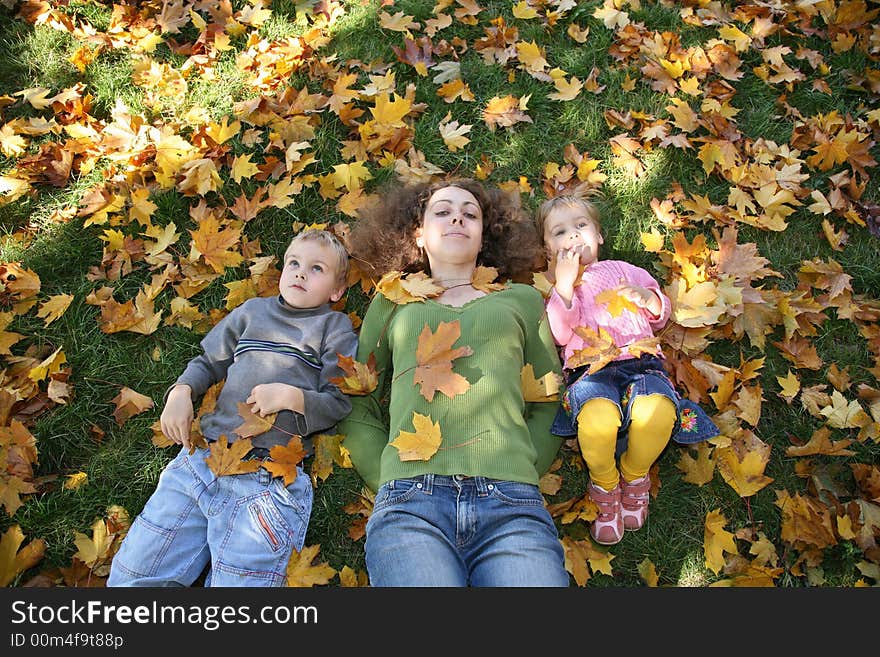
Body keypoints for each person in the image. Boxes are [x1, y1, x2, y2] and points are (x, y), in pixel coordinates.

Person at [338, 178, 570, 587]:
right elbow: (359, 393)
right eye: (442, 211)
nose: (457, 217)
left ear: (483, 237)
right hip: (410, 504)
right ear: (419, 235)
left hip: (512, 504)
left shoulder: (522, 300)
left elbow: (549, 398)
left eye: (470, 213)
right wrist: (387, 475)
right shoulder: (394, 299)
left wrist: (520, 468)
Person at [108, 229, 358, 586]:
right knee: (132, 577)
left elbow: (339, 401)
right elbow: (209, 361)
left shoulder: (334, 327)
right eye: (294, 263)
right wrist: (180, 392)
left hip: (266, 478)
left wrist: (291, 397)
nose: (300, 273)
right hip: (203, 461)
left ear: (336, 291)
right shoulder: (252, 312)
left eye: (317, 268)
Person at [536, 195, 719, 546]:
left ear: (599, 236)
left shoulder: (624, 269)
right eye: (560, 232)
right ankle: (604, 482)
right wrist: (563, 286)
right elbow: (559, 334)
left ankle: (635, 475)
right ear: (549, 249)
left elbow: (660, 313)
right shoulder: (558, 288)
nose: (573, 237)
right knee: (596, 420)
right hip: (590, 370)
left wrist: (648, 299)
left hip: (641, 361)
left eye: (581, 226)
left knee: (659, 412)